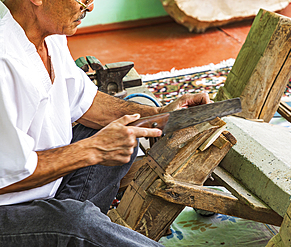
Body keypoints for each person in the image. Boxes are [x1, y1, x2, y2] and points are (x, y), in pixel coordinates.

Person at [0, 0, 211, 246]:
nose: (89, 8)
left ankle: (73, 227)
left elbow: (88, 103)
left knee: (125, 130)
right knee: (78, 223)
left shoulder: (49, 38)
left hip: (48, 190)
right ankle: (75, 227)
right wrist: (93, 149)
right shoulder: (4, 61)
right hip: (8, 209)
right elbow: (8, 177)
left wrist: (162, 115)